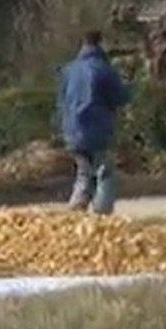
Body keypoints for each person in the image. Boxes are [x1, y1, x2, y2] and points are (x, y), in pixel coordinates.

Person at [56, 30, 132, 215]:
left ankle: (75, 213)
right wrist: (129, 85)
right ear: (101, 43)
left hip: (72, 131)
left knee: (83, 174)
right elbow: (120, 97)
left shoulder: (68, 70)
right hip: (97, 130)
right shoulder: (103, 69)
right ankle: (101, 216)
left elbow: (61, 101)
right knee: (104, 173)